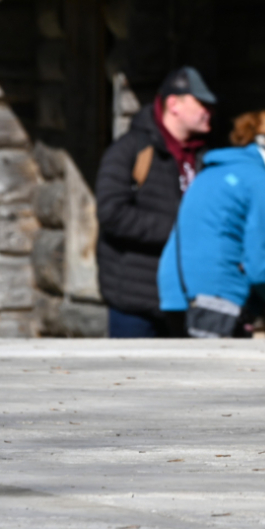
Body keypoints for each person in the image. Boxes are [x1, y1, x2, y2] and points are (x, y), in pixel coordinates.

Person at [95, 66, 215, 338]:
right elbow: (111, 212)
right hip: (135, 300)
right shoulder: (129, 149)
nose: (209, 111)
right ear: (174, 104)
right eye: (201, 103)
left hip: (186, 298)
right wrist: (178, 231)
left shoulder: (205, 155)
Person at [157, 111, 265, 339]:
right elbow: (259, 268)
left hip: (173, 290)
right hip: (216, 295)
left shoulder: (209, 171)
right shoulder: (260, 182)